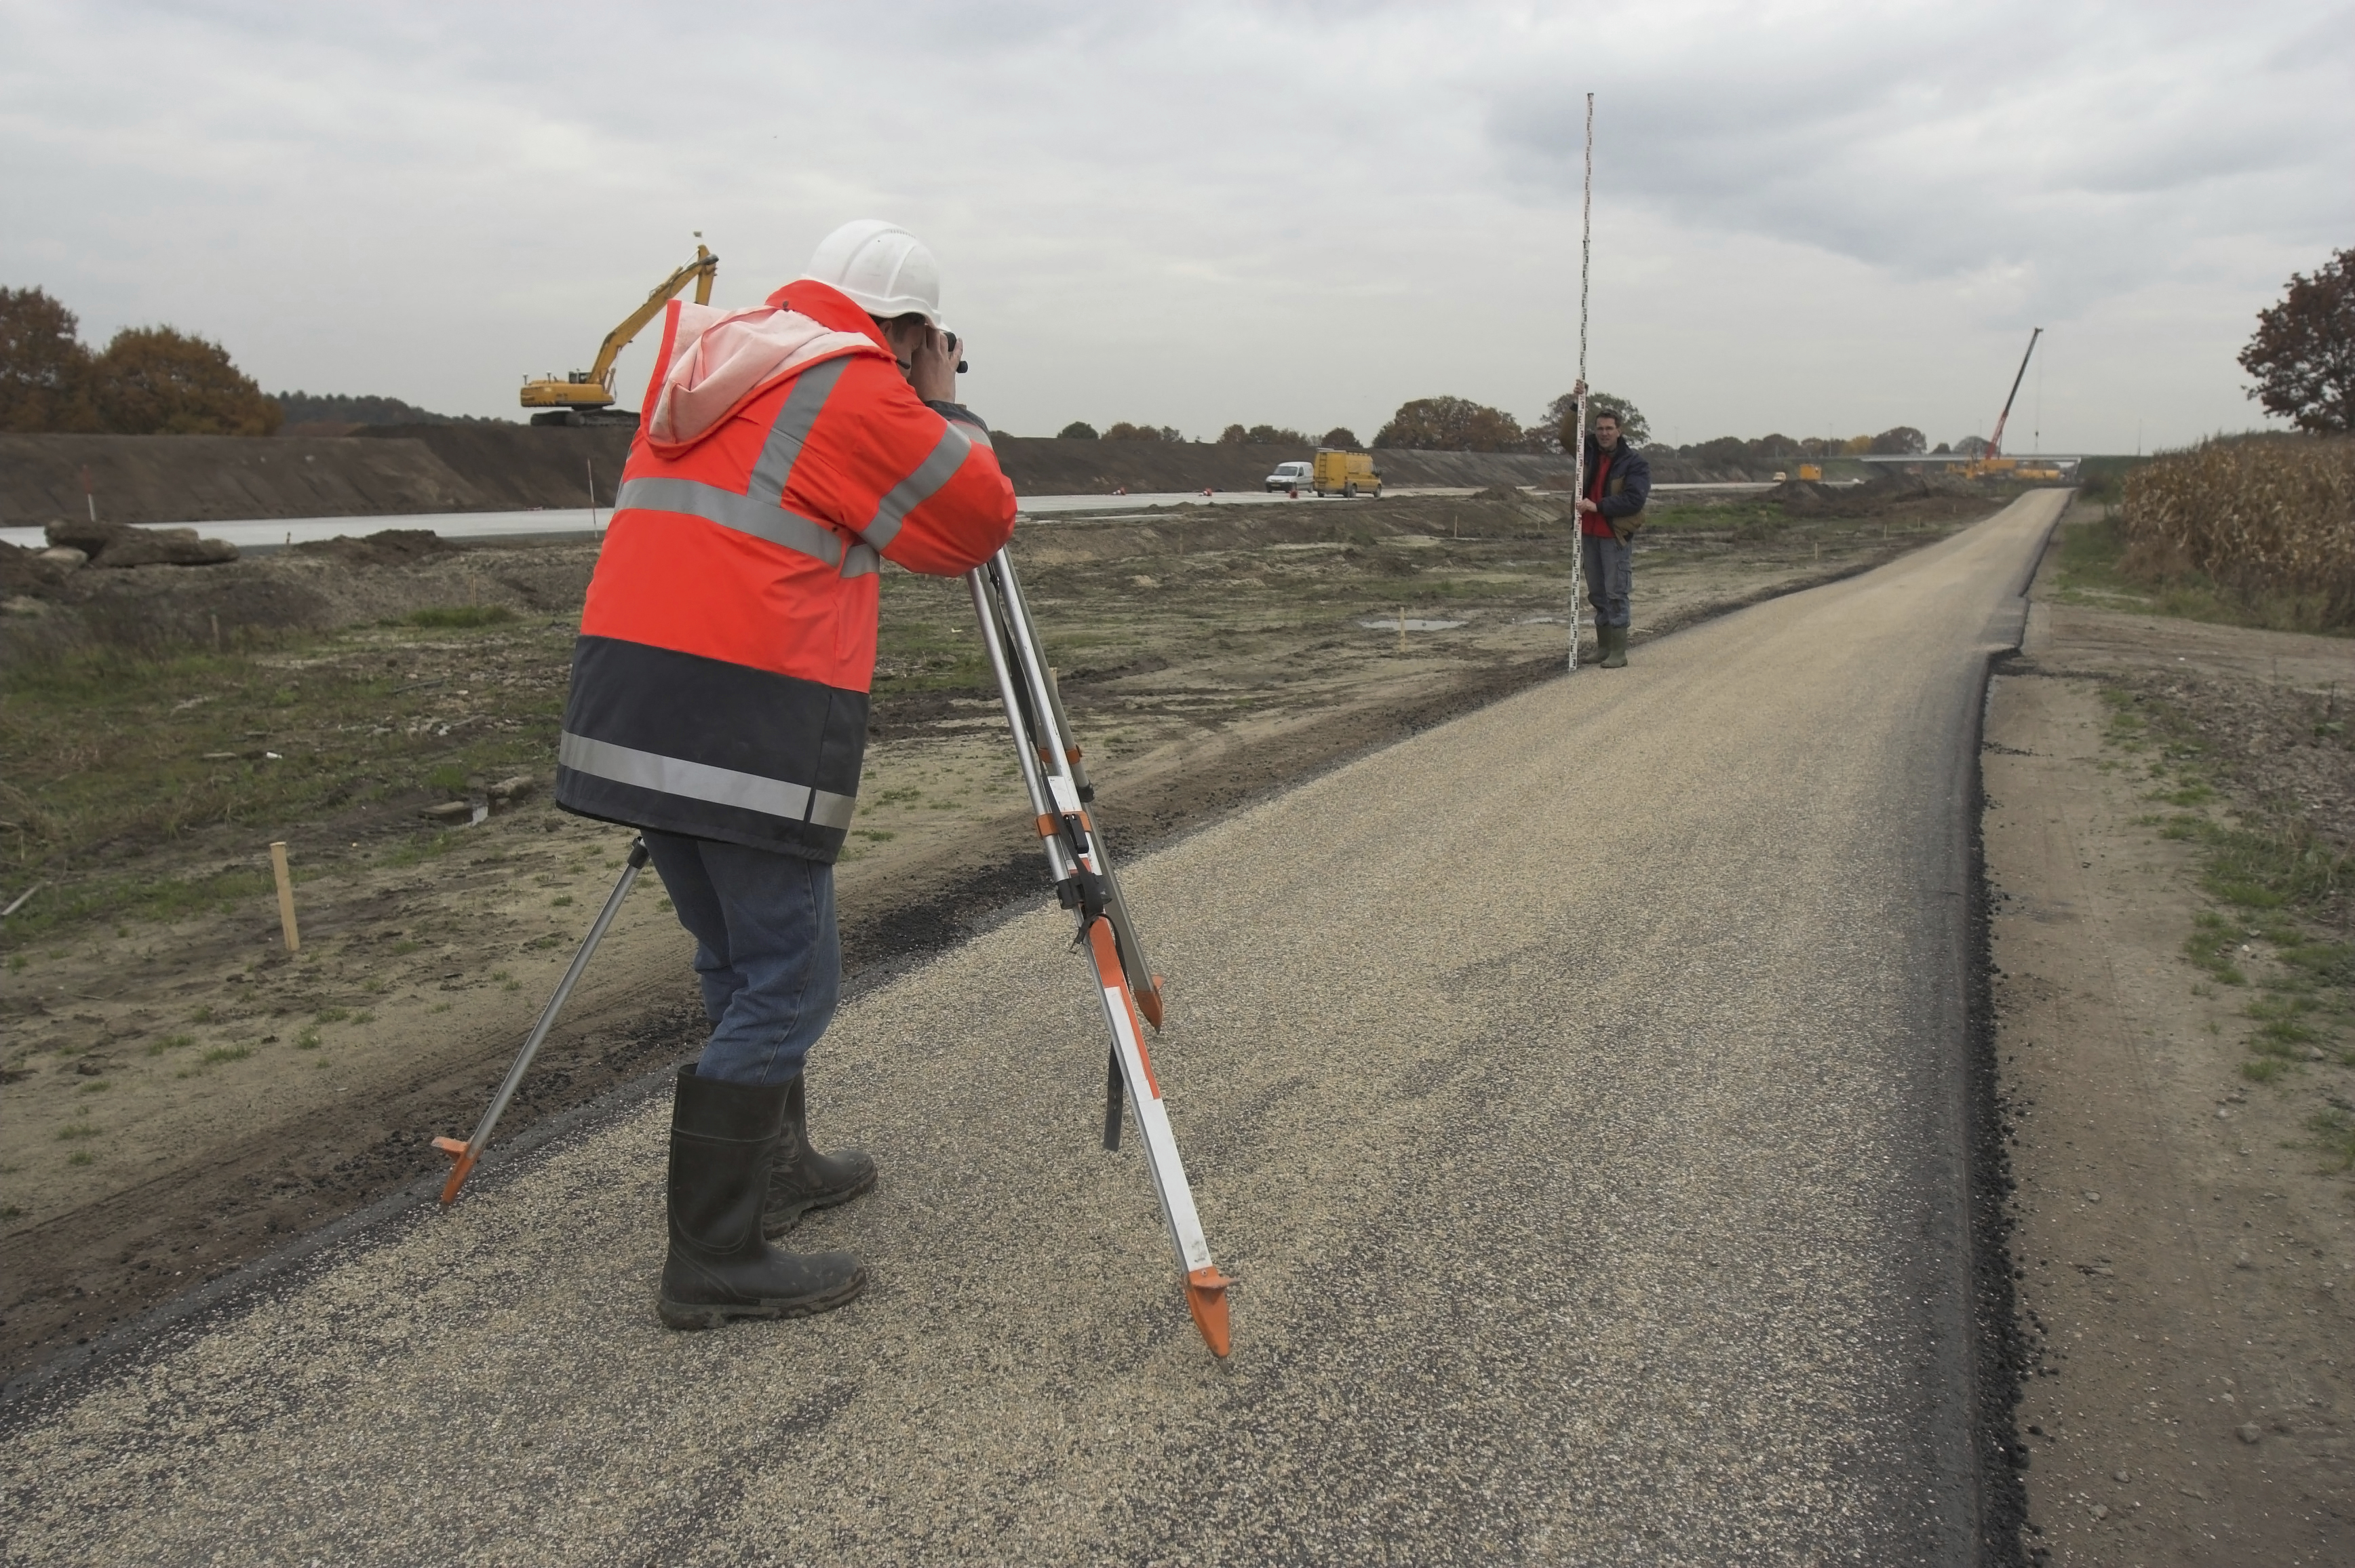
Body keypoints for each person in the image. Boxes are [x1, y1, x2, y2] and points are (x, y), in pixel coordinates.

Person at [554, 220, 1018, 1330]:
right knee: (793, 981)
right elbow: (975, 517)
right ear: (905, 332)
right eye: (926, 343)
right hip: (745, 720)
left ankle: (773, 1166)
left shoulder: (719, 360)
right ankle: (712, 1254)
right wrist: (945, 403)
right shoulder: (847, 386)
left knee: (736, 957)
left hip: (632, 705)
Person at [1572, 387, 1652, 668]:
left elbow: (1634, 499)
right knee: (1597, 593)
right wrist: (1577, 403)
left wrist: (1599, 506)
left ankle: (1619, 651)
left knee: (1617, 593)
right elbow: (1566, 437)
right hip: (1589, 535)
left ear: (1619, 431)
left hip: (1614, 536)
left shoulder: (1634, 463)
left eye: (1609, 428)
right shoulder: (1589, 452)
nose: (1604, 433)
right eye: (1600, 428)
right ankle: (1603, 647)